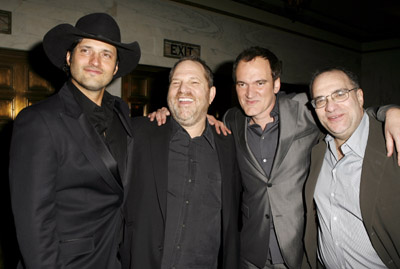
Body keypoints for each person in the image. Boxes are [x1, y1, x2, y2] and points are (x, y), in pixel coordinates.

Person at [151, 46, 400, 269]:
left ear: (276, 84)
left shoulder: (305, 109)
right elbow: (194, 116)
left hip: (298, 251)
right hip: (250, 253)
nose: (249, 93)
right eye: (241, 84)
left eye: (259, 83)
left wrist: (390, 112)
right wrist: (170, 113)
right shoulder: (231, 120)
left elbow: (343, 114)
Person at [9, 13, 140, 268]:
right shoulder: (37, 121)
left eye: (106, 54)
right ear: (69, 58)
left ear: (115, 67)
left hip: (113, 258)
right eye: (86, 50)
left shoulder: (121, 113)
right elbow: (33, 223)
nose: (95, 61)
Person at [121, 56, 241, 269]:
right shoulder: (138, 133)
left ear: (211, 94)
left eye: (194, 82)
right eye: (176, 83)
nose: (183, 90)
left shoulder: (229, 145)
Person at [302, 67, 400, 268]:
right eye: (321, 100)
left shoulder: (393, 144)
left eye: (339, 94)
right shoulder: (317, 149)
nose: (330, 107)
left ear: (359, 96)